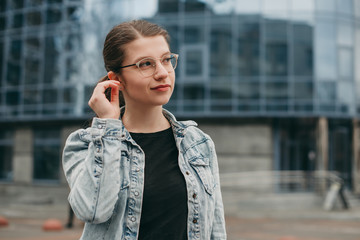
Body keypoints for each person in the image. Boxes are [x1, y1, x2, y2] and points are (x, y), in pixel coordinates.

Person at [62, 19, 226, 240]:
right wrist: (109, 128)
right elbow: (92, 211)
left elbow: (215, 227)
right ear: (116, 79)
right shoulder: (84, 144)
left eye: (166, 60)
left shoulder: (197, 142)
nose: (162, 73)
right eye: (145, 64)